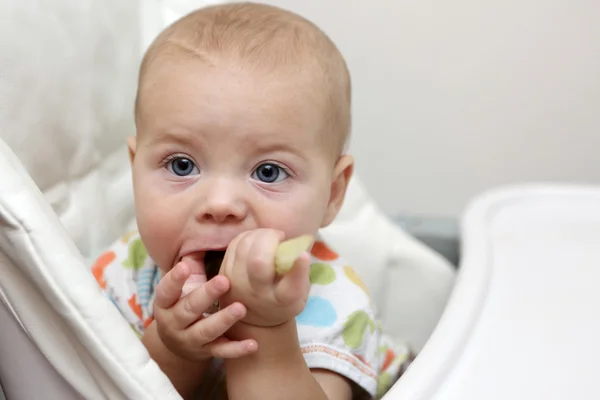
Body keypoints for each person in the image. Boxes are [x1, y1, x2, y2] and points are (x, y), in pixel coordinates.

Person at [91, 2, 412, 399]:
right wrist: (172, 349)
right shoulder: (122, 276)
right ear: (136, 168)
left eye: (268, 172)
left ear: (332, 195)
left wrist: (267, 330)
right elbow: (94, 389)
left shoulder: (331, 300)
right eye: (181, 164)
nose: (221, 203)